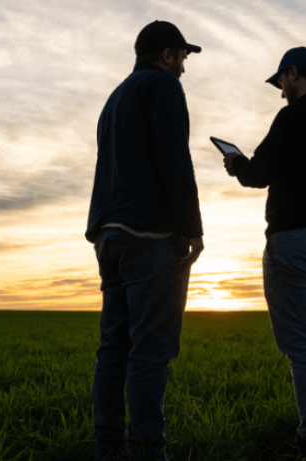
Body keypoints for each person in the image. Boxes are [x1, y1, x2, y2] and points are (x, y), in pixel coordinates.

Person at [223, 47, 306, 453]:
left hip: (293, 240)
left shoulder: (293, 116)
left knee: (301, 345)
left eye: (281, 81)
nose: (280, 91)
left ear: (293, 73)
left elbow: (259, 173)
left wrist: (237, 165)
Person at [85, 20, 204, 461]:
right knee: (151, 350)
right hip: (151, 235)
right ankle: (148, 451)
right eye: (183, 58)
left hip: (109, 235)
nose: (184, 69)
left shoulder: (114, 98)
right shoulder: (163, 87)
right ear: (169, 54)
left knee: (114, 347)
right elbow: (175, 159)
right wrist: (193, 228)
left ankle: (108, 447)